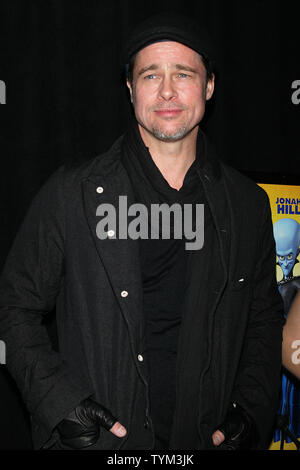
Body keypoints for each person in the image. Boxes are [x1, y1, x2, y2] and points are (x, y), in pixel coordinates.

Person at [0, 13, 283, 450]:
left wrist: (252, 410)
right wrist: (60, 403)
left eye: (183, 74)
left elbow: (263, 321)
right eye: (151, 75)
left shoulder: (247, 205)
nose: (167, 91)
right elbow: (13, 307)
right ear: (131, 90)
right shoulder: (71, 194)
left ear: (208, 86)